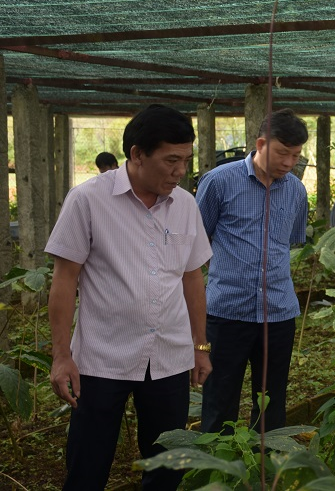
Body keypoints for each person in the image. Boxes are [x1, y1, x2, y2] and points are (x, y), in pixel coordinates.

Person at [46, 104, 213, 490]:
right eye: (171, 160)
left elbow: (192, 279)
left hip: (169, 357)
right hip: (103, 358)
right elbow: (64, 280)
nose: (180, 171)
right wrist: (61, 356)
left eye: (186, 160)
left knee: (167, 466)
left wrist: (200, 345)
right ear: (136, 154)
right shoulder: (87, 200)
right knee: (88, 463)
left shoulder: (186, 205)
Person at [196, 109, 309, 435]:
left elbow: (288, 242)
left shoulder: (296, 191)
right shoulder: (218, 181)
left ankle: (265, 469)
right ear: (261, 143)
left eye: (296, 155)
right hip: (227, 312)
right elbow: (197, 242)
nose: (289, 162)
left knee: (272, 401)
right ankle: (219, 474)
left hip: (278, 312)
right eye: (282, 153)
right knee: (219, 400)